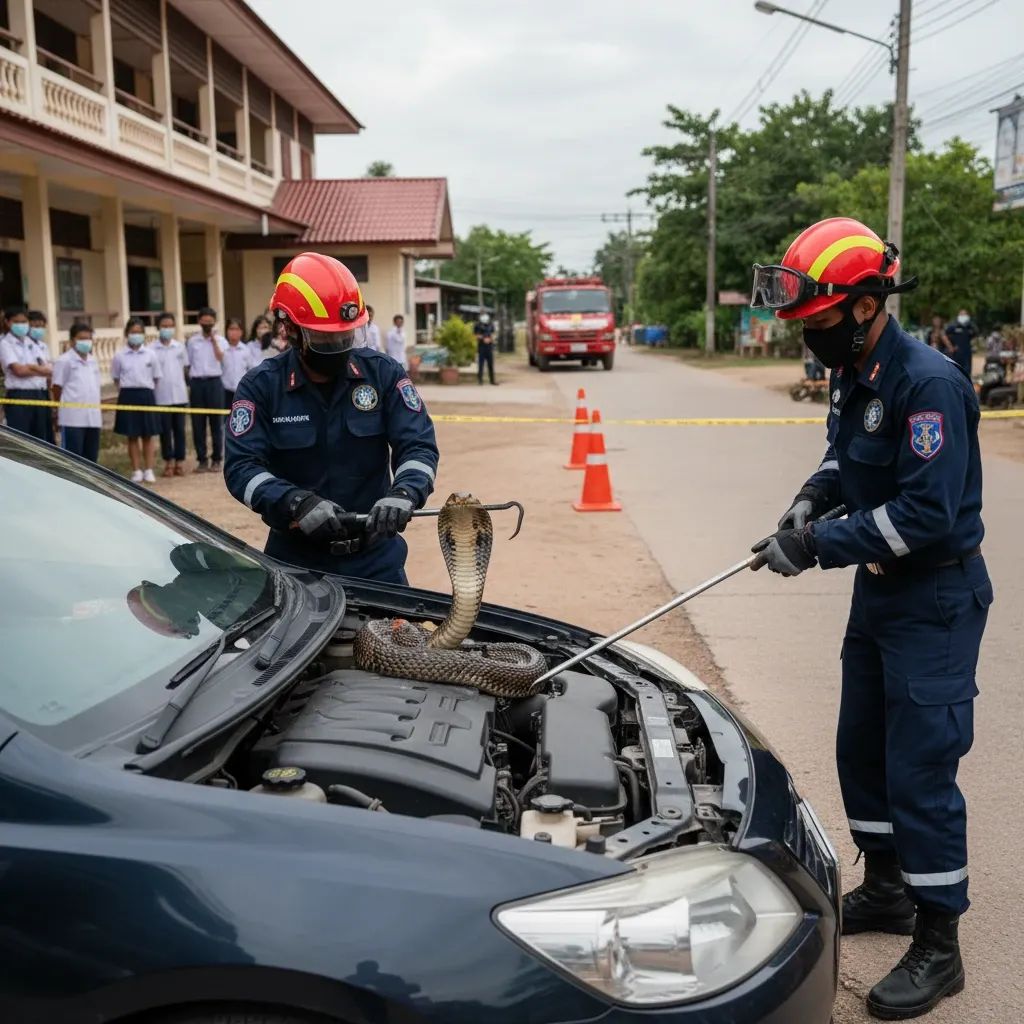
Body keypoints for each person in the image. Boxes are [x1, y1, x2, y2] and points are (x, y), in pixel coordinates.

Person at [749, 217, 989, 1020]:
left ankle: (938, 942)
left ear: (863, 305)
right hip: (880, 594)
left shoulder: (930, 384)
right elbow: (845, 457)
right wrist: (810, 499)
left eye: (816, 323)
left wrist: (815, 544)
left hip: (935, 597)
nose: (808, 339)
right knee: (863, 748)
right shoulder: (855, 367)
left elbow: (925, 512)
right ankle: (886, 887)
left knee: (921, 765)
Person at [224, 252, 439, 584]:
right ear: (289, 329)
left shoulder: (382, 375)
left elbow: (418, 446)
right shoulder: (261, 387)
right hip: (296, 564)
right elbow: (242, 468)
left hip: (377, 563)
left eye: (346, 334)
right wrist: (296, 503)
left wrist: (405, 493)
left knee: (400, 637)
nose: (339, 345)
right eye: (324, 338)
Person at [112, 318, 162, 484]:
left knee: (148, 436)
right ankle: (136, 470)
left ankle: (149, 470)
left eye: (139, 332)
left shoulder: (151, 354)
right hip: (127, 395)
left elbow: (156, 378)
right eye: (133, 332)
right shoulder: (119, 356)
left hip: (146, 394)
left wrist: (144, 389)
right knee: (131, 436)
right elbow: (116, 378)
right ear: (127, 334)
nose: (136, 335)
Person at [1, 305, 53, 441]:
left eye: (24, 322)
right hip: (20, 396)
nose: (21, 325)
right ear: (7, 322)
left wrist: (31, 367)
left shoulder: (32, 343)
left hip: (39, 394)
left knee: (41, 440)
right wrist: (36, 368)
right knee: (21, 439)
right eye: (16, 322)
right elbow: (18, 371)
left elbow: (48, 370)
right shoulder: (5, 344)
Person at [51, 321, 102, 463]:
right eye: (81, 338)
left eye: (88, 338)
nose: (85, 342)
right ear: (72, 341)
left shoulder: (93, 361)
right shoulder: (64, 361)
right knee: (73, 460)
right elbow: (57, 387)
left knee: (91, 459)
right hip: (72, 419)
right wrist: (57, 409)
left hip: (93, 418)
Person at [185, 307, 226, 473]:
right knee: (198, 423)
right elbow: (188, 364)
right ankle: (202, 459)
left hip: (214, 383)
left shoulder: (221, 340)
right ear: (199, 321)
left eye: (210, 321)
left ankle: (217, 459)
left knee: (216, 424)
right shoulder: (192, 341)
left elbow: (220, 358)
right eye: (205, 321)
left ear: (214, 322)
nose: (207, 324)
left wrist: (213, 340)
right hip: (197, 384)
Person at [149, 312, 189, 477]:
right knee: (165, 431)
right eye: (164, 326)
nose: (167, 329)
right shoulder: (151, 349)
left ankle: (179, 462)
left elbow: (186, 368)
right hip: (161, 397)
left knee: (179, 430)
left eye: (170, 326)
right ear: (158, 328)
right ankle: (168, 462)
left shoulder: (180, 347)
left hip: (179, 395)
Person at [221, 317, 254, 407]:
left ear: (241, 332)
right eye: (231, 329)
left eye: (237, 329)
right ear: (226, 331)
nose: (234, 332)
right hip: (225, 391)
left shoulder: (246, 350)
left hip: (242, 391)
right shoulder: (222, 349)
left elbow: (250, 370)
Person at [945, 308, 976, 379]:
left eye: (965, 314)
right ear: (958, 315)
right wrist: (951, 346)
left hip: (967, 353)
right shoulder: (953, 326)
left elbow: (974, 334)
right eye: (961, 314)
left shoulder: (970, 327)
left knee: (967, 372)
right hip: (957, 353)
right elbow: (945, 335)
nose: (963, 316)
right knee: (956, 371)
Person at [474, 311, 498, 385]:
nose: (484, 317)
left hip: (489, 347)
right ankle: (480, 380)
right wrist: (483, 338)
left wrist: (490, 339)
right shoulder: (477, 325)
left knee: (490, 364)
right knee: (481, 364)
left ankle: (492, 380)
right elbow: (475, 335)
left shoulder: (491, 324)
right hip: (481, 347)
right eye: (482, 315)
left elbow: (493, 334)